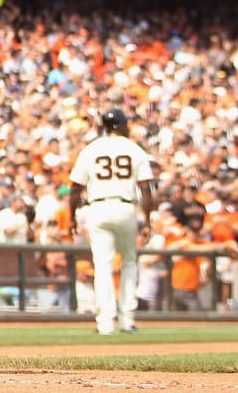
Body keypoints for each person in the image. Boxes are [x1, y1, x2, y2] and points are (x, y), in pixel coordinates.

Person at [67, 107, 155, 334]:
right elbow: (146, 187)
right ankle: (127, 320)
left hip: (98, 207)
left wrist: (71, 217)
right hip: (125, 207)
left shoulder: (92, 148)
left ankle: (105, 323)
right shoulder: (134, 149)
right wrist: (147, 219)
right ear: (122, 125)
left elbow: (75, 187)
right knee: (128, 263)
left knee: (103, 266)